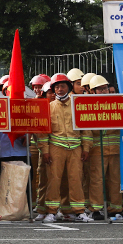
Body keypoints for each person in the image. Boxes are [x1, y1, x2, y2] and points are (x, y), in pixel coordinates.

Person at [39, 73, 91, 223]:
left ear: (68, 87)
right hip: (55, 148)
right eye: (56, 87)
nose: (60, 89)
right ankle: (51, 212)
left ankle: (79, 211)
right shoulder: (48, 108)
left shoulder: (77, 105)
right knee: (54, 181)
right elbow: (43, 133)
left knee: (76, 180)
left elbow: (85, 129)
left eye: (62, 86)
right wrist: (46, 151)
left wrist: (86, 148)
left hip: (76, 147)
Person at [81, 74, 123, 222]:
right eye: (100, 89)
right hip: (97, 150)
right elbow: (86, 131)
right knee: (97, 180)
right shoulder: (88, 105)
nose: (104, 91)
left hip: (115, 149)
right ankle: (96, 209)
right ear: (92, 91)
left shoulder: (117, 103)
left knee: (115, 180)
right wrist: (86, 148)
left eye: (105, 88)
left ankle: (116, 208)